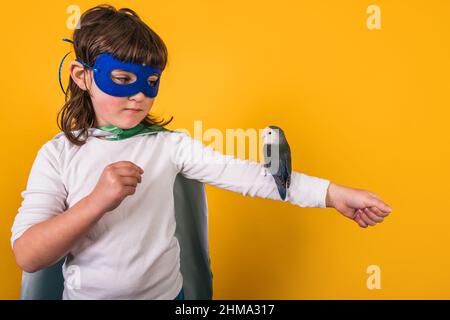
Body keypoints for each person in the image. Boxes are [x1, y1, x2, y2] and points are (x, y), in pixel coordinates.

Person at [10, 4, 392, 300]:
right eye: (123, 79)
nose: (140, 93)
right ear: (83, 76)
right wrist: (96, 200)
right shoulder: (57, 155)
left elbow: (252, 176)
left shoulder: (170, 146)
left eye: (151, 81)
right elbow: (29, 255)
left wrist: (333, 193)